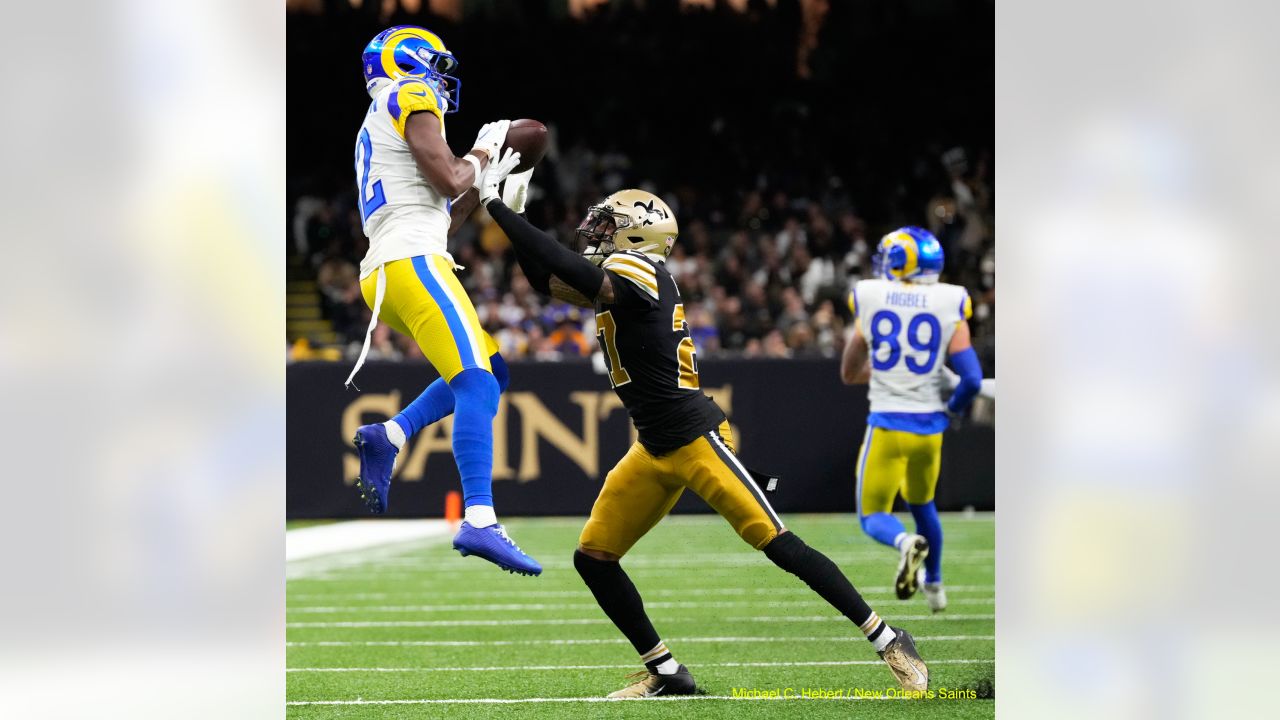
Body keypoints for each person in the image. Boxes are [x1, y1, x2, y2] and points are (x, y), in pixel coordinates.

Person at [477, 150, 929, 697]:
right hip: (655, 446)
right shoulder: (619, 276)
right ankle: (667, 672)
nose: (596, 232)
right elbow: (548, 284)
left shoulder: (639, 271)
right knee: (594, 556)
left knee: (775, 542)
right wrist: (515, 218)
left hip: (695, 436)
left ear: (638, 239)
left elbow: (567, 269)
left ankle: (888, 638)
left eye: (609, 225)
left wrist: (499, 206)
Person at [344, 26, 540, 576]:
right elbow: (451, 175)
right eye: (436, 65)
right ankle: (479, 518)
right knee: (476, 382)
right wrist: (482, 152)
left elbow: (447, 210)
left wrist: (489, 181)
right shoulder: (410, 94)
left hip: (398, 262)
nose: (442, 79)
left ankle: (390, 434)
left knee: (491, 372)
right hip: (409, 262)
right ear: (410, 63)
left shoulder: (381, 113)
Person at [839, 227, 984, 612]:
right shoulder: (950, 300)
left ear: (900, 262)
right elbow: (970, 379)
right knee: (924, 506)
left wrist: (887, 372)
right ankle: (935, 586)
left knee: (873, 516)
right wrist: (951, 409)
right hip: (929, 431)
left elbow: (850, 370)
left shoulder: (871, 295)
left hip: (887, 425)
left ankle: (905, 543)